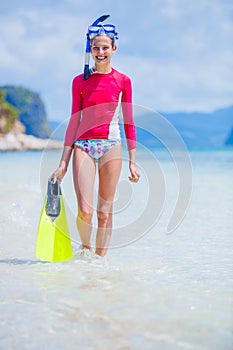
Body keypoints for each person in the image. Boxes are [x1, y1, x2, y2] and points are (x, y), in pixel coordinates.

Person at [50, 16, 140, 257]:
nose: (100, 52)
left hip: (112, 145)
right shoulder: (79, 81)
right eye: (95, 48)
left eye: (105, 48)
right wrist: (63, 164)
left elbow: (129, 121)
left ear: (114, 48)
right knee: (86, 212)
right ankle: (85, 250)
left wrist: (133, 161)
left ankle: (99, 265)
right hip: (84, 146)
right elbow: (74, 121)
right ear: (89, 49)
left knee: (104, 213)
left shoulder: (123, 81)